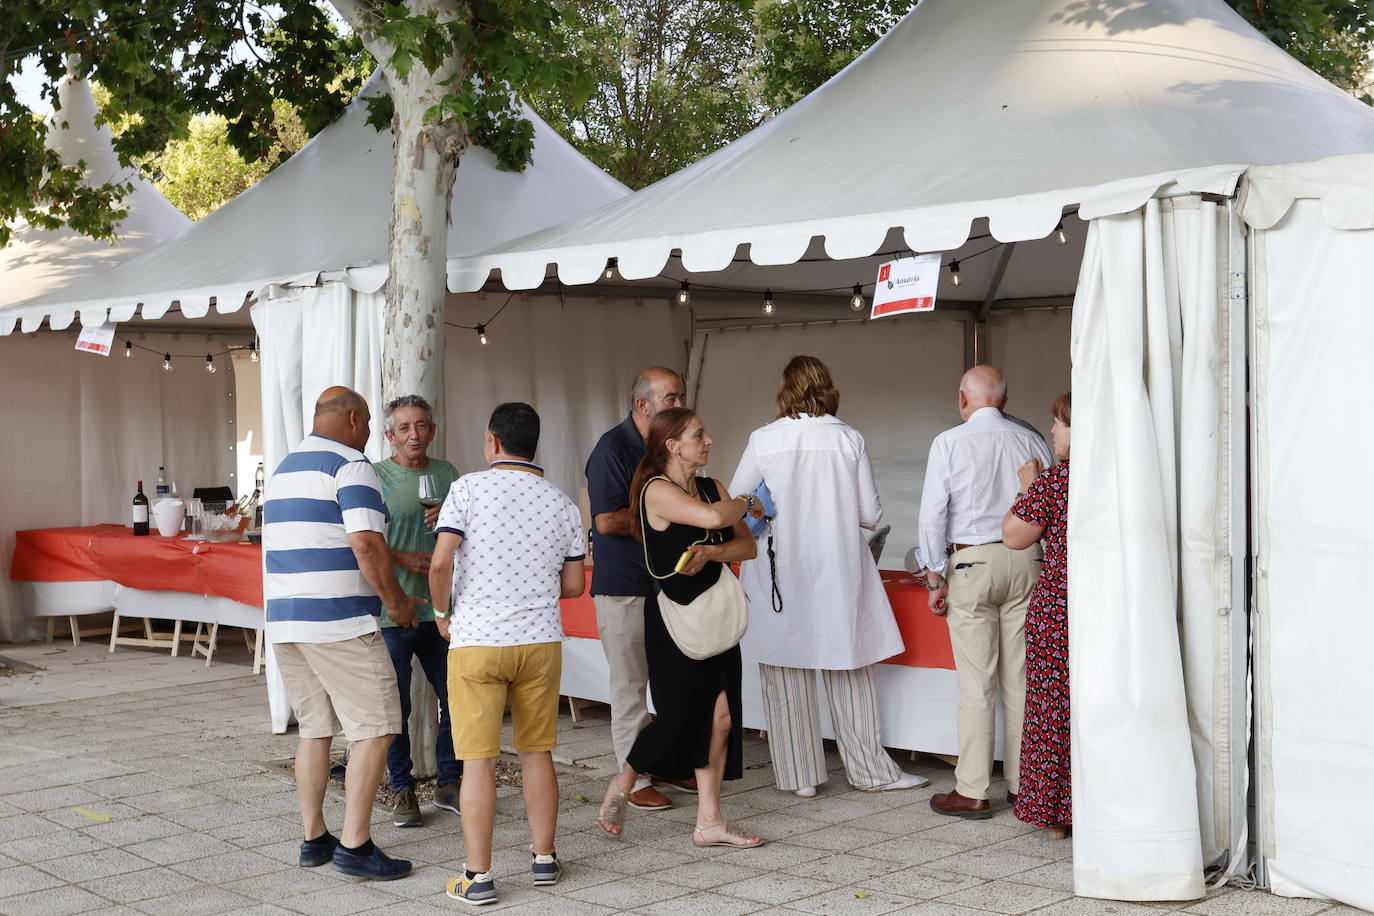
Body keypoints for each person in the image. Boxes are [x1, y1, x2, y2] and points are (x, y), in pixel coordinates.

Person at [729, 355, 928, 797]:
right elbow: (870, 513)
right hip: (838, 565)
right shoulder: (848, 438)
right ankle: (870, 771)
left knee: (784, 667)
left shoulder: (763, 438)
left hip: (778, 566)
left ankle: (799, 777)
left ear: (784, 389)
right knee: (849, 665)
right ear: (828, 388)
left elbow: (737, 499)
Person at [429, 402, 587, 906]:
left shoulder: (467, 489)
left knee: (477, 762)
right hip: (539, 640)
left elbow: (440, 563)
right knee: (537, 752)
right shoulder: (561, 501)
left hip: (477, 639)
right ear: (533, 444)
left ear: (492, 440)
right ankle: (544, 858)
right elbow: (574, 584)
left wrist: (441, 612)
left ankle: (478, 877)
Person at [263, 386, 421, 880]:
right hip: (339, 621)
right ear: (353, 419)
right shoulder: (351, 466)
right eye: (371, 421)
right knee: (376, 728)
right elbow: (367, 544)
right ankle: (355, 844)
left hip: (286, 620)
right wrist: (396, 602)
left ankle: (314, 838)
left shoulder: (285, 467)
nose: (372, 430)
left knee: (314, 729)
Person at [597, 407, 764, 849]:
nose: (708, 441)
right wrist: (747, 501)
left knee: (723, 719)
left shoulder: (712, 486)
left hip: (716, 614)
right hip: (674, 616)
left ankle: (709, 822)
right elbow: (714, 520)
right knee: (680, 719)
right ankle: (625, 780)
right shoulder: (656, 490)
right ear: (673, 446)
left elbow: (746, 546)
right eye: (698, 435)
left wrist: (712, 555)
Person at [916, 366, 1053, 819]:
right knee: (1019, 680)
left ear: (962, 399)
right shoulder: (1030, 440)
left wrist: (935, 576)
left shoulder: (948, 443)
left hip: (972, 563)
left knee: (977, 685)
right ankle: (1023, 784)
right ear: (1005, 401)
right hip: (1025, 560)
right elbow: (1048, 502)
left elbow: (933, 515)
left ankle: (972, 789)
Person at [584, 367, 694, 810]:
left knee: (672, 683)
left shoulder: (670, 446)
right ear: (642, 405)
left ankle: (667, 762)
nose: (679, 405)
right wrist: (669, 517)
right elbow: (606, 520)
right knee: (630, 684)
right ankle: (633, 776)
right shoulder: (612, 448)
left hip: (668, 583)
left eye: (681, 396)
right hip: (626, 586)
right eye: (671, 398)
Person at [372, 394, 463, 828]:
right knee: (396, 706)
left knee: (457, 698)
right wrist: (402, 557)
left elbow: (469, 534)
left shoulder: (447, 474)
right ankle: (402, 789)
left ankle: (450, 782)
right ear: (389, 435)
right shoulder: (376, 477)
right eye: (404, 428)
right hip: (395, 611)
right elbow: (363, 543)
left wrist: (451, 518)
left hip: (442, 610)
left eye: (422, 425)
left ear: (433, 430)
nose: (415, 434)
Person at [1003, 392, 1072, 838]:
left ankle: (1054, 814)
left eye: (1059, 422)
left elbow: (1014, 535)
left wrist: (1032, 484)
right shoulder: (1124, 472)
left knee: (1051, 709)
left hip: (1058, 607)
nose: (1051, 431)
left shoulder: (1056, 480)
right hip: (1109, 604)